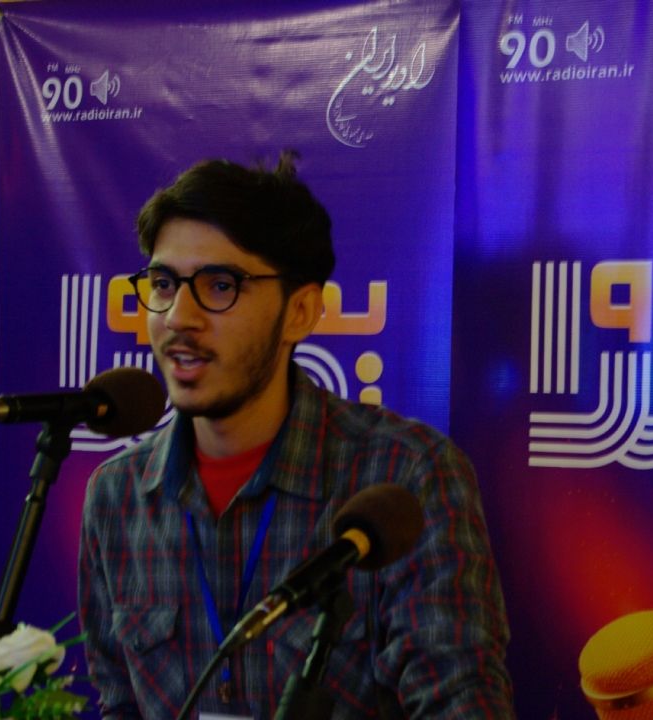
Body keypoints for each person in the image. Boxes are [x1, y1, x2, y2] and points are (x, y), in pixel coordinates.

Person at [77, 153, 515, 719]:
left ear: (301, 312)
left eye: (220, 285)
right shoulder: (116, 497)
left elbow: (462, 704)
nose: (179, 317)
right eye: (163, 284)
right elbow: (119, 704)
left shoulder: (407, 475)